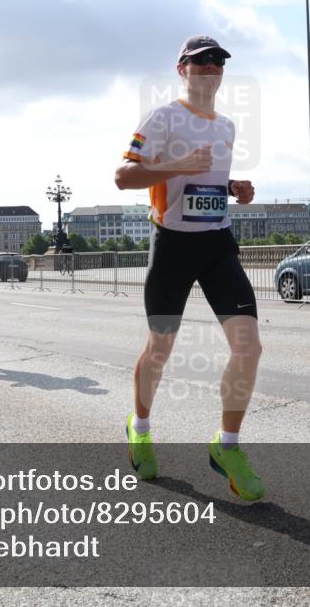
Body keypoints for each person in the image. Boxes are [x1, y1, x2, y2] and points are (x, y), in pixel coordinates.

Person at [113, 35, 264, 500]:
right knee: (159, 348)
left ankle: (227, 445)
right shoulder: (163, 118)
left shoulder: (227, 126)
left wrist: (235, 185)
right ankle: (139, 428)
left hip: (217, 244)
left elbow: (208, 182)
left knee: (249, 347)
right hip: (172, 246)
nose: (211, 68)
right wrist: (176, 164)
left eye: (218, 61)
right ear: (182, 69)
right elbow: (123, 176)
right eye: (201, 62)